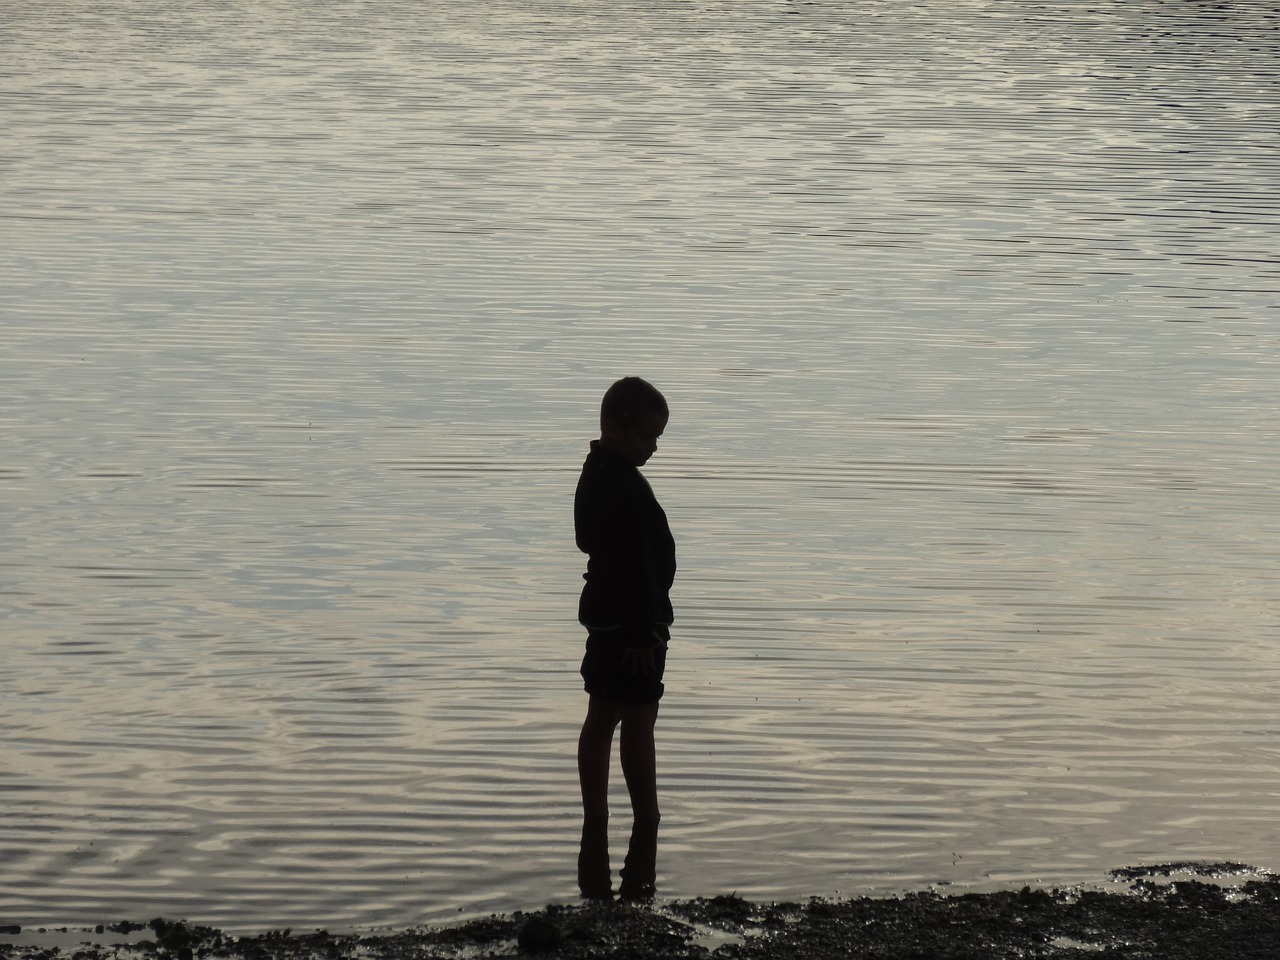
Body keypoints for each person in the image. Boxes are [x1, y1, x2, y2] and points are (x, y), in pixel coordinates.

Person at [574, 377, 676, 899]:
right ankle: (645, 820)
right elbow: (632, 563)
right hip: (629, 626)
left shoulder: (603, 473)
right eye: (646, 438)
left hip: (614, 620)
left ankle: (598, 821)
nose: (652, 447)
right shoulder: (617, 484)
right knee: (635, 716)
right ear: (613, 429)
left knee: (605, 712)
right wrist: (644, 631)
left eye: (657, 438)